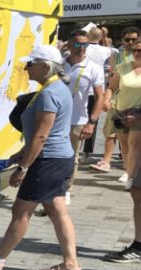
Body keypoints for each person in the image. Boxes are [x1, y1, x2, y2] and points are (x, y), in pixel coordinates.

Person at [0, 45, 81, 270]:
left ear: (45, 67)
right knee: (58, 211)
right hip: (58, 159)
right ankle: (71, 265)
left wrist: (24, 167)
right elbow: (45, 133)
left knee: (21, 211)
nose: (26, 67)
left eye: (30, 64)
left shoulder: (50, 93)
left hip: (47, 161)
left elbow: (42, 135)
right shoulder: (56, 89)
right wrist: (22, 152)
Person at [102, 40, 141, 262]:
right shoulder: (124, 63)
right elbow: (112, 85)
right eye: (133, 49)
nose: (136, 53)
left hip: (137, 119)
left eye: (140, 50)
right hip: (125, 116)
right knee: (136, 189)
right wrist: (108, 100)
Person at [62, 30, 106, 204]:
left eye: (85, 44)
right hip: (54, 119)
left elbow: (100, 97)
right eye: (78, 44)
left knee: (71, 157)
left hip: (77, 120)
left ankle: (66, 188)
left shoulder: (93, 68)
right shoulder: (59, 65)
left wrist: (92, 122)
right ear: (69, 44)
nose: (82, 48)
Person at [93, 27, 140, 176]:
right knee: (116, 136)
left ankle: (130, 172)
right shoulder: (120, 58)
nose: (130, 43)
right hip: (119, 104)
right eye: (128, 40)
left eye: (134, 39)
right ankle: (127, 170)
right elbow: (113, 84)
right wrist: (107, 99)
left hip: (137, 110)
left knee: (134, 142)